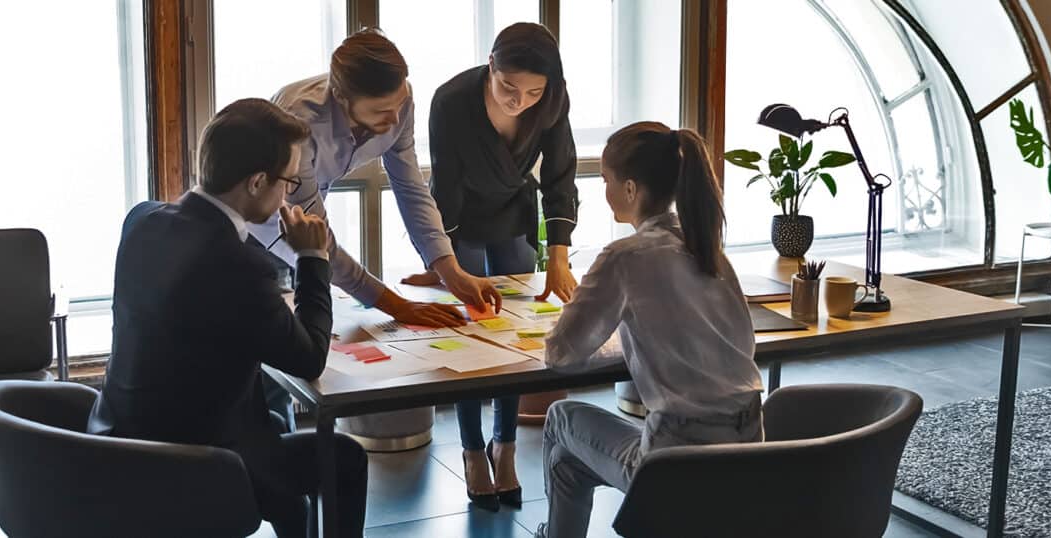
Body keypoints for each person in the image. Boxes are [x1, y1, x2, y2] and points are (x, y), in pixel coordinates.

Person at [88, 98, 367, 538]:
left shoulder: (143, 219)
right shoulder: (239, 266)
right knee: (344, 457)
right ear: (258, 182)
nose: (288, 195)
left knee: (273, 425)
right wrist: (314, 257)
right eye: (289, 182)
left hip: (118, 440)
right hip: (193, 464)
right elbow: (310, 357)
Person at [535, 122, 764, 538]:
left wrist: (588, 327)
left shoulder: (625, 257)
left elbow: (561, 355)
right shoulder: (709, 250)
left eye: (605, 180)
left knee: (560, 418)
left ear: (630, 189)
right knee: (568, 461)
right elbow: (729, 342)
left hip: (675, 464)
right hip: (746, 453)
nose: (601, 192)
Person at [410, 22, 579, 512]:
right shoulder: (451, 100)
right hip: (460, 217)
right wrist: (445, 265)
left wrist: (559, 259)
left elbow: (560, 174)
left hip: (513, 214)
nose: (518, 101)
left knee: (513, 335)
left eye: (532, 92)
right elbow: (445, 184)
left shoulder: (551, 101)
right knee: (469, 331)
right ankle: (471, 450)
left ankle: (504, 445)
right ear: (490, 65)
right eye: (508, 87)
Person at [252, 28, 503, 326]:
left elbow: (410, 187)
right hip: (258, 234)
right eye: (382, 111)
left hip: (303, 235)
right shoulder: (298, 122)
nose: (396, 119)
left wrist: (451, 271)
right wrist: (397, 307)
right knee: (277, 345)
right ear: (341, 99)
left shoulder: (400, 101)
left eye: (399, 105)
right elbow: (313, 236)